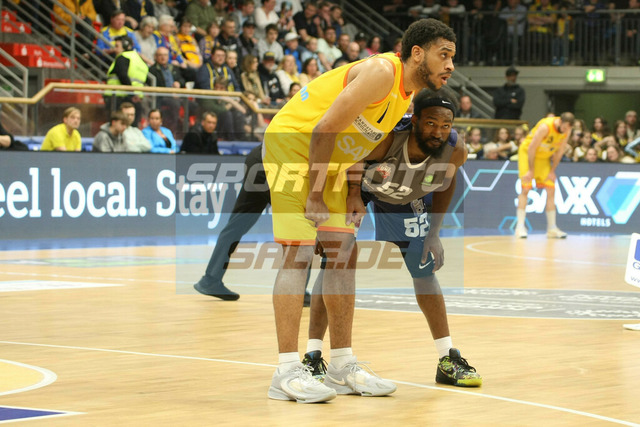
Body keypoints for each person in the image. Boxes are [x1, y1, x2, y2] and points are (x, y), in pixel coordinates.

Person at [262, 18, 456, 403]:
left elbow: (356, 143)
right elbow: (325, 128)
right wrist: (316, 195)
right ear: (418, 53)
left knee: (343, 255)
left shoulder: (405, 95)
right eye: (444, 55)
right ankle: (285, 371)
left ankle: (341, 365)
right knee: (298, 254)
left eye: (453, 57)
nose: (451, 65)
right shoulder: (382, 72)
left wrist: (353, 191)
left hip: (329, 162)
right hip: (293, 149)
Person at [304, 89, 482, 389]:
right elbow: (352, 154)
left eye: (445, 125)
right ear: (415, 119)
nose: (438, 132)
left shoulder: (455, 150)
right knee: (335, 259)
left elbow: (446, 183)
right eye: (431, 123)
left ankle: (447, 358)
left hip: (405, 195)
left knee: (423, 268)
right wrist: (351, 195)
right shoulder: (388, 138)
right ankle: (313, 356)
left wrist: (434, 233)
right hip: (359, 186)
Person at [514, 112, 575, 239]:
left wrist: (552, 171)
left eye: (568, 128)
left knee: (551, 189)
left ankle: (552, 228)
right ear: (560, 122)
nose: (565, 131)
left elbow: (560, 151)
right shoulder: (545, 127)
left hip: (543, 157)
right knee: (526, 188)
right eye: (564, 127)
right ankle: (520, 227)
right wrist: (531, 170)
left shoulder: (567, 130)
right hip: (528, 154)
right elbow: (531, 148)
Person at [105, 36, 150, 127]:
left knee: (117, 126)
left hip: (119, 98)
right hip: (137, 98)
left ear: (126, 46)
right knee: (133, 126)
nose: (115, 49)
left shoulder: (123, 57)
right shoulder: (140, 61)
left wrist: (132, 93)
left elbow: (123, 76)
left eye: (117, 46)